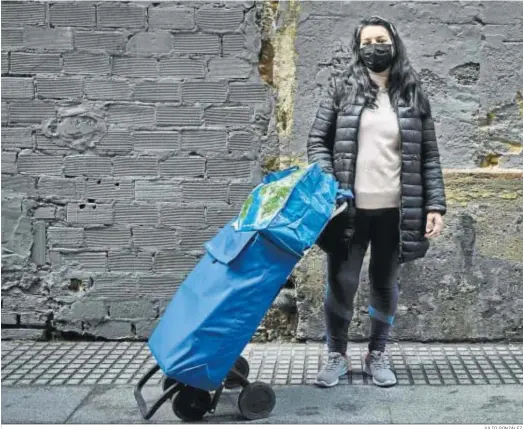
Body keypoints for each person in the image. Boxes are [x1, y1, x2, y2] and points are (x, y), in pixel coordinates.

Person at [307, 16, 446, 388]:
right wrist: (330, 180)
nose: (374, 48)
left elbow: (429, 156)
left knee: (384, 283)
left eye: (380, 40)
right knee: (342, 283)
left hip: (396, 212)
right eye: (366, 42)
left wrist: (435, 206)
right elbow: (318, 141)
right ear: (358, 48)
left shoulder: (413, 93)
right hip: (348, 210)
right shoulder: (342, 88)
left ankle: (377, 353)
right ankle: (336, 355)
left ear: (394, 44)